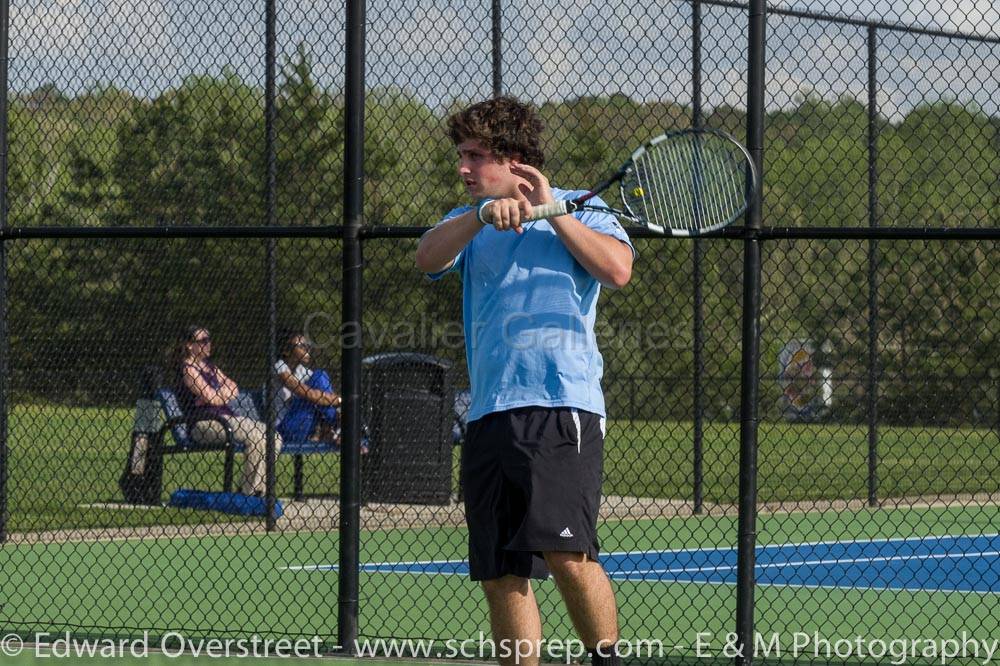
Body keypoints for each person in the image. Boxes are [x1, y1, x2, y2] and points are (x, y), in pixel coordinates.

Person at [414, 97, 635, 666]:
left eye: (475, 156)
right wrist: (481, 215)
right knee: (501, 574)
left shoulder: (584, 210)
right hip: (489, 415)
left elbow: (617, 270)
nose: (462, 167)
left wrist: (553, 210)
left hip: (562, 408)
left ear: (513, 159)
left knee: (568, 557)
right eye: (461, 155)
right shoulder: (469, 223)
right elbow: (426, 257)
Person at [170, 325, 282, 496]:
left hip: (226, 419)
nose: (208, 344)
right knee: (256, 437)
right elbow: (211, 398)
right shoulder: (188, 370)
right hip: (203, 423)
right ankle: (249, 492)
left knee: (274, 436)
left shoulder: (210, 367)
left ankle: (256, 490)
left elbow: (233, 387)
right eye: (203, 341)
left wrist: (217, 394)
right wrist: (220, 393)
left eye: (209, 340)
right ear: (189, 345)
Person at [271, 332, 343, 447]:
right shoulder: (279, 367)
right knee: (317, 382)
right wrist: (340, 400)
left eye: (308, 346)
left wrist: (331, 401)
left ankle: (338, 426)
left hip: (303, 423)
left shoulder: (303, 371)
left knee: (320, 375)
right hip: (282, 429)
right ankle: (339, 426)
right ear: (286, 350)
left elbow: (322, 394)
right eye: (301, 346)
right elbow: (308, 394)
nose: (307, 349)